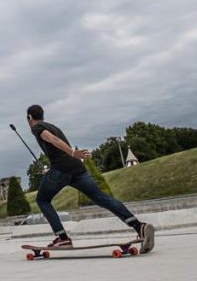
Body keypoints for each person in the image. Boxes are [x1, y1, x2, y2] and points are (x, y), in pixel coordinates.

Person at [26, 104, 155, 252]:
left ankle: (62, 239)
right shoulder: (53, 126)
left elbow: (53, 139)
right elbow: (57, 147)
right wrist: (53, 167)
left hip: (62, 169)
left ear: (30, 117)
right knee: (100, 197)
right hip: (76, 169)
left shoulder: (37, 128)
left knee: (42, 200)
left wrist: (72, 152)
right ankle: (139, 226)